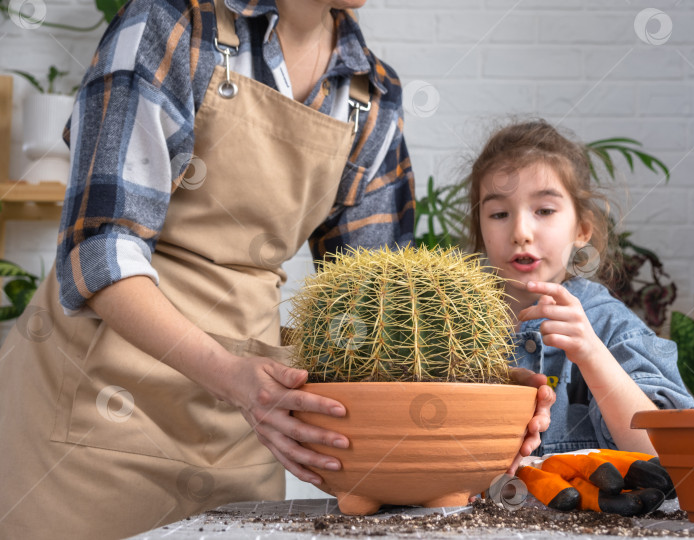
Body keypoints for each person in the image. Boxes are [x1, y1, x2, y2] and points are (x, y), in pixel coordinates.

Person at [0, 1, 553, 537]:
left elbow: (378, 314)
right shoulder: (173, 23)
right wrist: (233, 380)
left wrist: (487, 394)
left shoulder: (369, 92)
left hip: (244, 423)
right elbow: (99, 247)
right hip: (98, 405)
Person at [466, 119, 694, 457]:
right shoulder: (450, 326)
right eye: (499, 213)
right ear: (480, 230)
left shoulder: (608, 325)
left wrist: (591, 355)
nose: (520, 231)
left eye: (544, 210)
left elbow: (666, 451)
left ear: (582, 230)